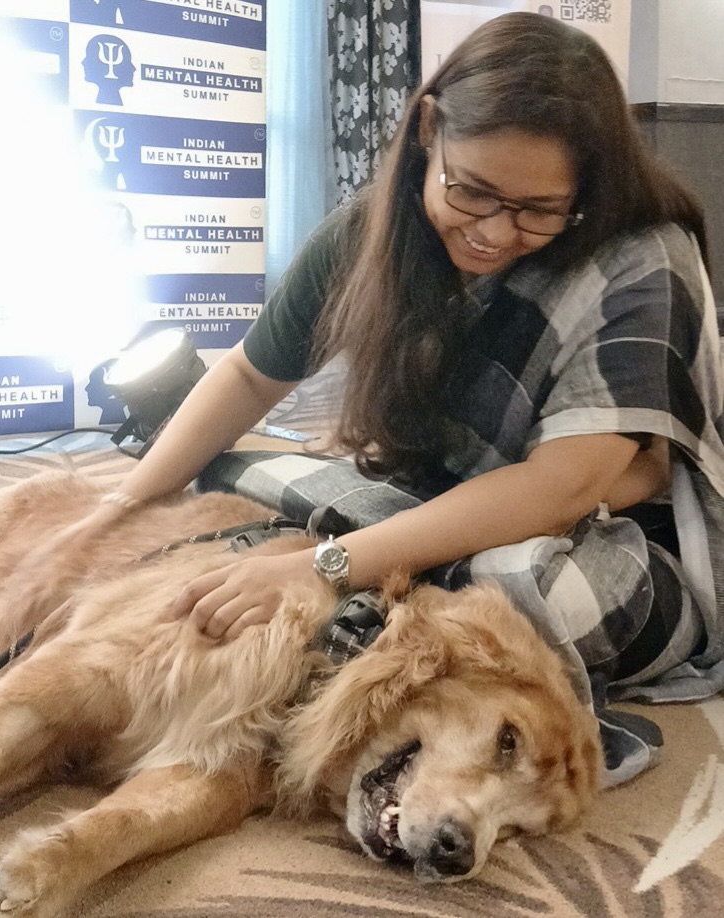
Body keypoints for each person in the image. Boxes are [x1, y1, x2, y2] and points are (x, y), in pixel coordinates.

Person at [50, 13, 723, 694]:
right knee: (225, 470)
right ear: (429, 129)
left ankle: (370, 595)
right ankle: (382, 593)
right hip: (441, 500)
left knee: (541, 600)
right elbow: (250, 376)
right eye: (472, 190)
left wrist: (323, 567)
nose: (493, 233)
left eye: (538, 210)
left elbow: (563, 490)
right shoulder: (373, 230)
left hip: (594, 540)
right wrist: (123, 503)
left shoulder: (641, 259)